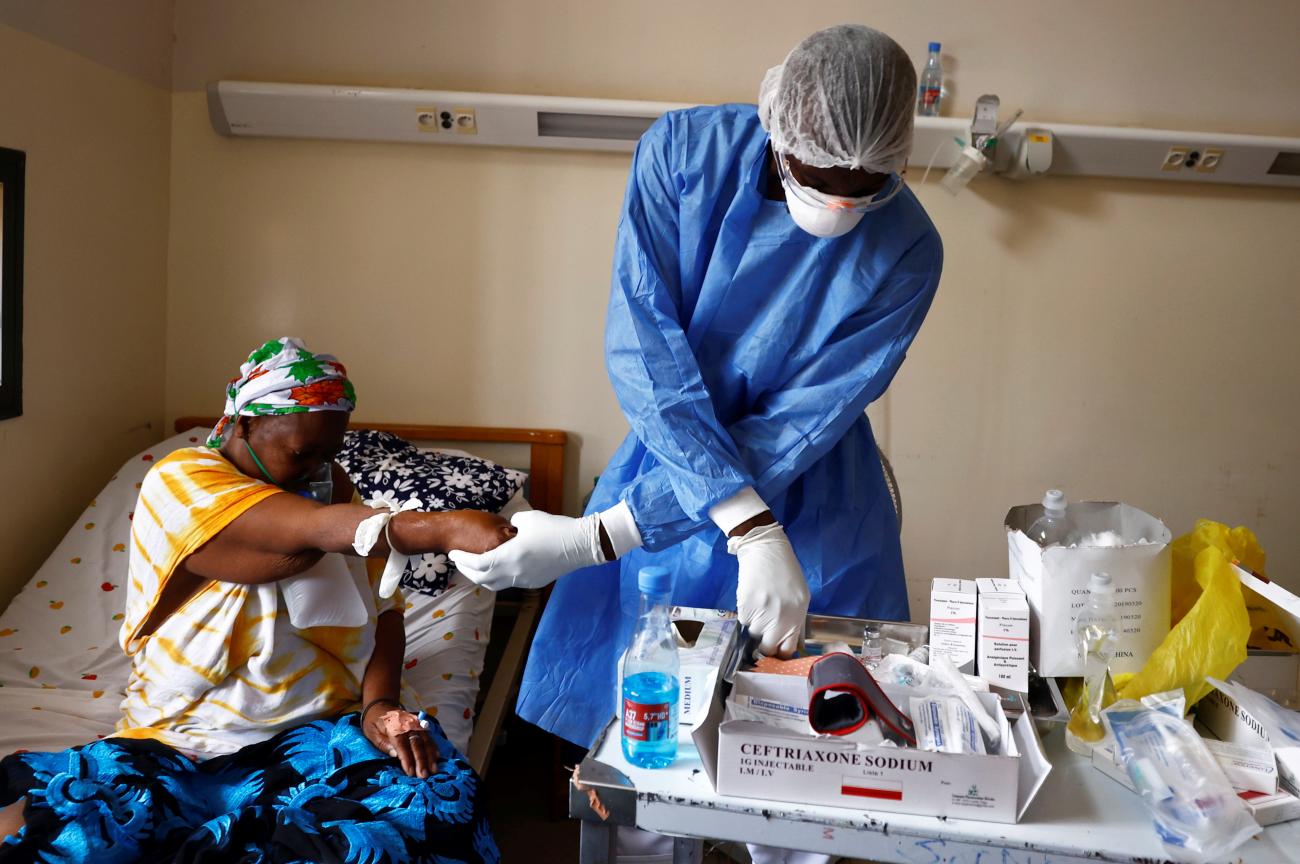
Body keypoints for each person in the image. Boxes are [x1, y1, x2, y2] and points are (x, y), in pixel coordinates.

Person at [453, 23, 942, 764]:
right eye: (817, 174)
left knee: (821, 748)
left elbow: (804, 421)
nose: (839, 205)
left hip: (819, 484)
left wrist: (612, 534)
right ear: (780, 124)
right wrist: (734, 524)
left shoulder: (909, 248)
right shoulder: (684, 155)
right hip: (673, 452)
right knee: (648, 742)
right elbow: (647, 350)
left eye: (866, 186)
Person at [0, 337, 511, 863]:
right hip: (182, 736)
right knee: (76, 829)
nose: (316, 469)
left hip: (319, 735)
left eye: (328, 454)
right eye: (300, 453)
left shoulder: (331, 487)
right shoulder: (180, 480)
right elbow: (296, 537)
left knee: (436, 805)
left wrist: (379, 707)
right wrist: (439, 528)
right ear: (244, 424)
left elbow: (384, 615)